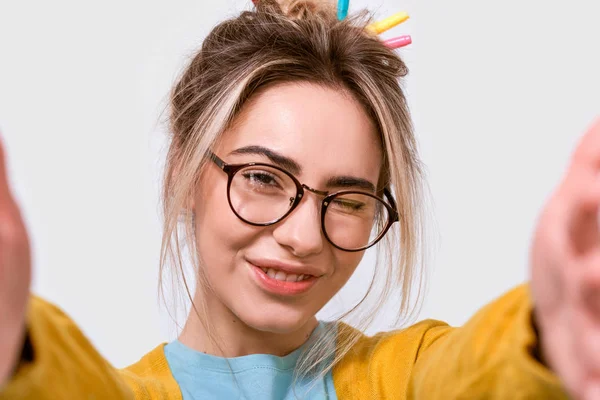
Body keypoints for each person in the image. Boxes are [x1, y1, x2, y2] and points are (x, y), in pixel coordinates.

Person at [0, 0, 598, 398]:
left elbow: (480, 371)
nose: (305, 237)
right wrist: (19, 340)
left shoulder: (404, 376)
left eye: (349, 199)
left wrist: (545, 330)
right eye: (263, 178)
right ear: (182, 168)